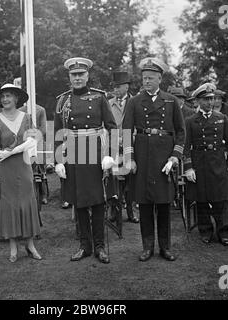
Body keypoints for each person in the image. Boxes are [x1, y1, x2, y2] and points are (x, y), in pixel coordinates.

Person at [54, 57, 117, 264]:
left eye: (81, 74)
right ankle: (84, 245)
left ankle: (99, 246)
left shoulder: (99, 98)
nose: (78, 78)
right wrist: (58, 161)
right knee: (79, 201)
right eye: (74, 75)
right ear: (69, 77)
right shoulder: (63, 100)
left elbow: (112, 127)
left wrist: (110, 155)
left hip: (95, 150)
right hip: (73, 151)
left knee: (98, 200)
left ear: (88, 75)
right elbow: (57, 132)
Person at [122, 57, 185, 262]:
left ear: (160, 78)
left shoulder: (171, 100)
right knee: (145, 203)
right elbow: (125, 131)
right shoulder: (134, 102)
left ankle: (165, 247)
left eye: (150, 78)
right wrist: (130, 158)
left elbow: (181, 132)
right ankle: (147, 246)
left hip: (164, 157)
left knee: (164, 204)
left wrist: (174, 156)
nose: (146, 81)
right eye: (144, 78)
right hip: (142, 155)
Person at [0, 83, 42, 262]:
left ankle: (30, 244)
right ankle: (13, 246)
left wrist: (12, 151)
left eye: (8, 96)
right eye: (2, 97)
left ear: (16, 98)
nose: (5, 99)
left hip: (22, 165)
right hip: (4, 167)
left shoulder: (27, 117)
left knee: (27, 200)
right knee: (8, 204)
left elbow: (32, 141)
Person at [184, 83, 228, 246]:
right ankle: (205, 230)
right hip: (199, 163)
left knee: (221, 199)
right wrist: (188, 168)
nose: (210, 102)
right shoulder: (190, 121)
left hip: (218, 162)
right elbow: (186, 147)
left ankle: (224, 232)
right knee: (201, 198)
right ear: (198, 101)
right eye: (206, 99)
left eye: (212, 99)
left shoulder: (221, 118)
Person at [108, 71, 138, 223]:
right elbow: (105, 125)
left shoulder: (136, 102)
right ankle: (115, 210)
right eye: (114, 87)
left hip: (131, 146)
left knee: (130, 180)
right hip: (113, 146)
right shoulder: (108, 103)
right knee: (114, 180)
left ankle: (131, 211)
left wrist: (127, 139)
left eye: (119, 86)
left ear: (126, 86)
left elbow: (138, 126)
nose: (116, 90)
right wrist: (115, 139)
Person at [15, 77, 49, 205]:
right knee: (26, 170)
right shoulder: (19, 111)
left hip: (38, 144)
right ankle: (28, 194)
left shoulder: (40, 110)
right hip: (24, 145)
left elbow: (43, 129)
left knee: (41, 170)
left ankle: (43, 194)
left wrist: (34, 138)